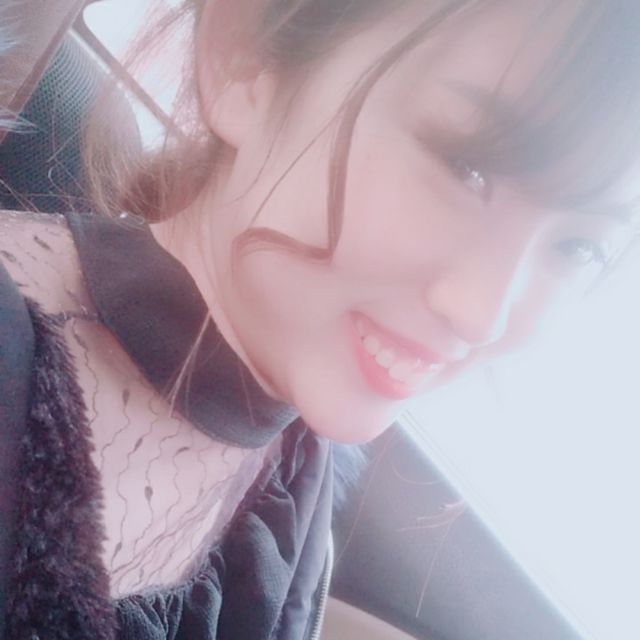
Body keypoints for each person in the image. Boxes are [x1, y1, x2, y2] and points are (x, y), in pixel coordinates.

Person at [1, 0, 639, 638]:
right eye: (465, 166)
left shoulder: (298, 469)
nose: (484, 317)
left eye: (578, 247)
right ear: (245, 60)